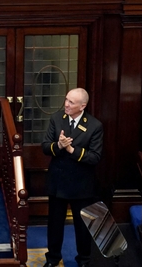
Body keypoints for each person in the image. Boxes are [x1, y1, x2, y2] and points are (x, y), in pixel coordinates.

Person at [40, 88, 103, 267]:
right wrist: (58, 145)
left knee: (82, 226)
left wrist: (72, 150)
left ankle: (83, 260)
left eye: (72, 102)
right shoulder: (56, 118)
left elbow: (95, 157)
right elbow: (45, 147)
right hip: (58, 182)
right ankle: (52, 258)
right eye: (66, 100)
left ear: (83, 106)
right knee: (54, 224)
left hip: (81, 185)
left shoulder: (94, 125)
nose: (66, 104)